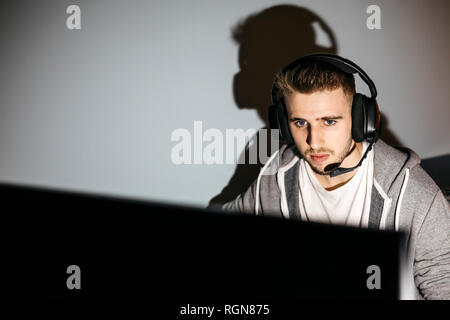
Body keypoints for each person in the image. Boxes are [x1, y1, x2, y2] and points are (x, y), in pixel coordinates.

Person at [222, 53, 450, 300]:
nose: (313, 141)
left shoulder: (413, 193)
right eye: (300, 123)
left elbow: (443, 282)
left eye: (329, 121)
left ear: (362, 120)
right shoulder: (276, 176)